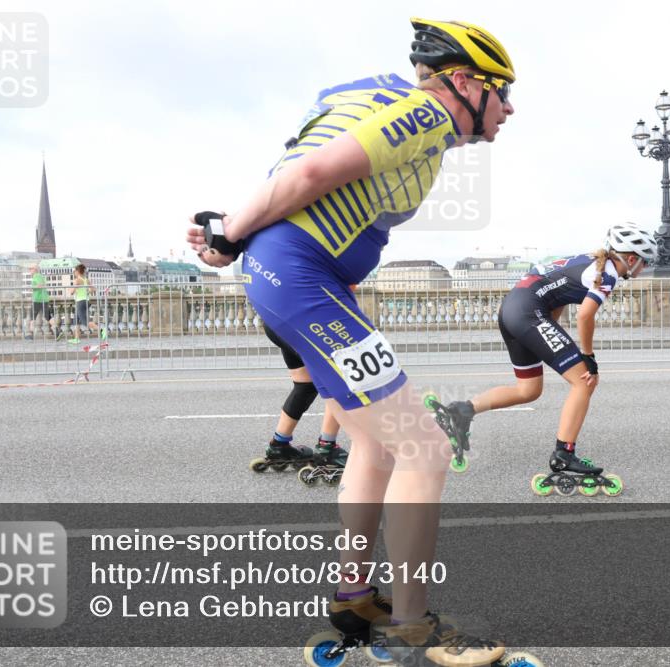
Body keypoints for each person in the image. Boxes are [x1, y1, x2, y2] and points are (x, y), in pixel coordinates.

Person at [189, 18, 537, 665]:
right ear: (463, 81)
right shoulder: (427, 111)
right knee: (425, 445)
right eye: (502, 90)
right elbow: (316, 168)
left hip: (296, 277)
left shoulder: (370, 95)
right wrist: (231, 232)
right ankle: (412, 625)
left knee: (375, 441)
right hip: (303, 276)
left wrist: (233, 238)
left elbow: (298, 153)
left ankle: (353, 599)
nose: (509, 107)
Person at [444, 223, 657, 497]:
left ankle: (462, 410)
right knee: (585, 382)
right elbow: (585, 316)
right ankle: (564, 454)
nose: (643, 268)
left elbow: (555, 296)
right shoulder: (608, 274)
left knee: (528, 390)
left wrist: (549, 343)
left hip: (513, 309)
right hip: (527, 315)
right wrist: (588, 357)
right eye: (644, 262)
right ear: (631, 259)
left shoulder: (588, 262)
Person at [251, 321, 349, 484]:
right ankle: (327, 448)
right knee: (339, 382)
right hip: (303, 323)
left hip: (274, 321)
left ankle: (278, 445)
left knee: (305, 385)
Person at [67, 263, 98, 343]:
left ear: (77, 271)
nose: (74, 272)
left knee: (85, 322)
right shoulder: (86, 280)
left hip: (80, 302)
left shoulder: (77, 280)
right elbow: (93, 289)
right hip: (85, 301)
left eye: (74, 271)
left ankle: (101, 330)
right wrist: (88, 291)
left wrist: (69, 289)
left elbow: (71, 292)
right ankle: (76, 339)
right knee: (76, 321)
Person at [25, 263, 57, 340]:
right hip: (44, 299)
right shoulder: (40, 276)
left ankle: (30, 335)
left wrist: (32, 287)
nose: (29, 270)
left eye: (31, 269)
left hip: (37, 299)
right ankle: (57, 330)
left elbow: (40, 285)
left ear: (35, 270)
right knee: (48, 316)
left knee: (32, 318)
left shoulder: (36, 276)